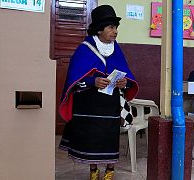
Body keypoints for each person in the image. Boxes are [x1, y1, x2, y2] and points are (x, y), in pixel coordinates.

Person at [58, 5, 139, 180]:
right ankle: (93, 170)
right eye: (110, 27)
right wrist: (92, 81)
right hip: (89, 104)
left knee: (110, 137)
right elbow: (74, 79)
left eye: (116, 27)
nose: (115, 31)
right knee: (91, 139)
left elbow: (127, 74)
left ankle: (110, 169)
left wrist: (124, 83)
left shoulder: (116, 49)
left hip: (110, 105)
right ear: (99, 29)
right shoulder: (84, 49)